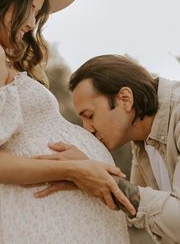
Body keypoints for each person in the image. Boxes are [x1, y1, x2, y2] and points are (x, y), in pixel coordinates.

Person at [0, 0, 134, 243]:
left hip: (60, 215)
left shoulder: (0, 57)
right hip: (44, 215)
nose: (33, 23)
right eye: (30, 9)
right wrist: (74, 170)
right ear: (2, 2)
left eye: (37, 13)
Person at [53, 54, 179, 244]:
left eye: (90, 115)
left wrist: (105, 180)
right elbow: (135, 214)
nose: (88, 129)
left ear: (125, 99)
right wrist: (86, 178)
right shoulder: (141, 142)